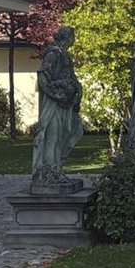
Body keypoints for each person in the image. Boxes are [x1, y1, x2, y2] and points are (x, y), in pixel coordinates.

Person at [31, 27, 84, 193]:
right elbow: (43, 77)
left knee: (64, 134)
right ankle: (48, 174)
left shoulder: (64, 55)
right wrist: (57, 94)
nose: (74, 39)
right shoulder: (53, 54)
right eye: (72, 36)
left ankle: (56, 170)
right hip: (54, 103)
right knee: (52, 136)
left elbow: (71, 77)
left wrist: (77, 90)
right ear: (67, 37)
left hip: (65, 103)